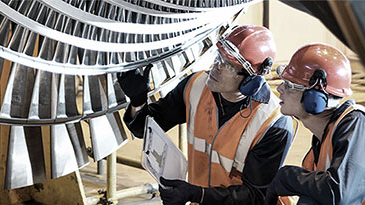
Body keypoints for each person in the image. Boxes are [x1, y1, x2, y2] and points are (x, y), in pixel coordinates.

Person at [118, 25, 295, 204]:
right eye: (218, 57)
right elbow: (144, 129)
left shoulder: (273, 122)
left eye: (227, 65)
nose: (216, 67)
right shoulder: (196, 86)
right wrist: (138, 101)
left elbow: (255, 197)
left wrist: (198, 194)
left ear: (250, 81)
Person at [265, 43, 365, 205]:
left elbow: (340, 194)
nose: (280, 89)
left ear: (314, 98)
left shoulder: (357, 124)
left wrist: (289, 177)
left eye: (289, 85)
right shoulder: (321, 144)